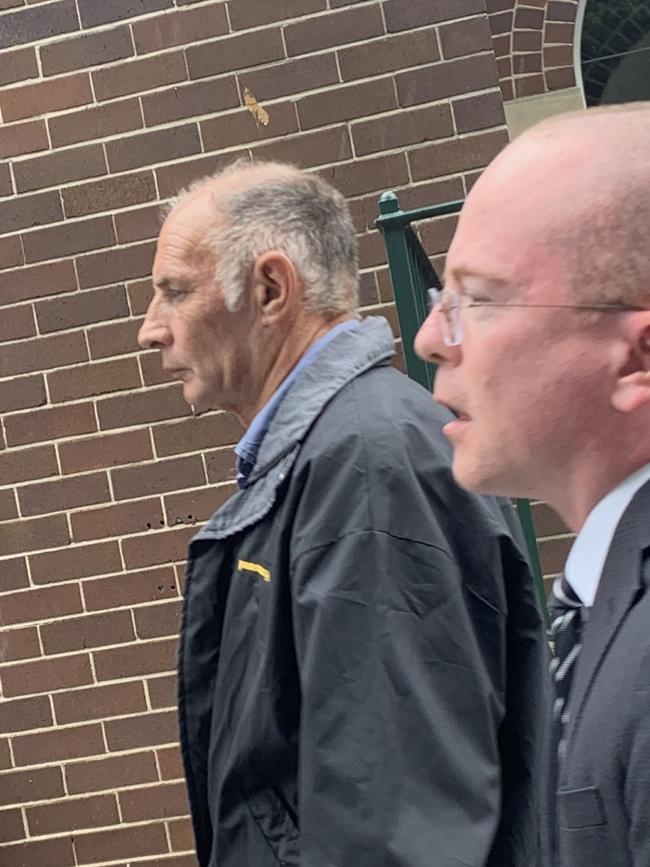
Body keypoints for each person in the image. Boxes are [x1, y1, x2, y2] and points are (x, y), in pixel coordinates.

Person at [138, 160, 548, 867]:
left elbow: (397, 825)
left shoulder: (364, 466)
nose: (152, 330)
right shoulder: (337, 458)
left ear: (270, 288)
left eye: (175, 292)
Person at [415, 104, 650, 867]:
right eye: (440, 298)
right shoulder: (610, 596)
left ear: (638, 358)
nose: (429, 340)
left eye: (476, 299)